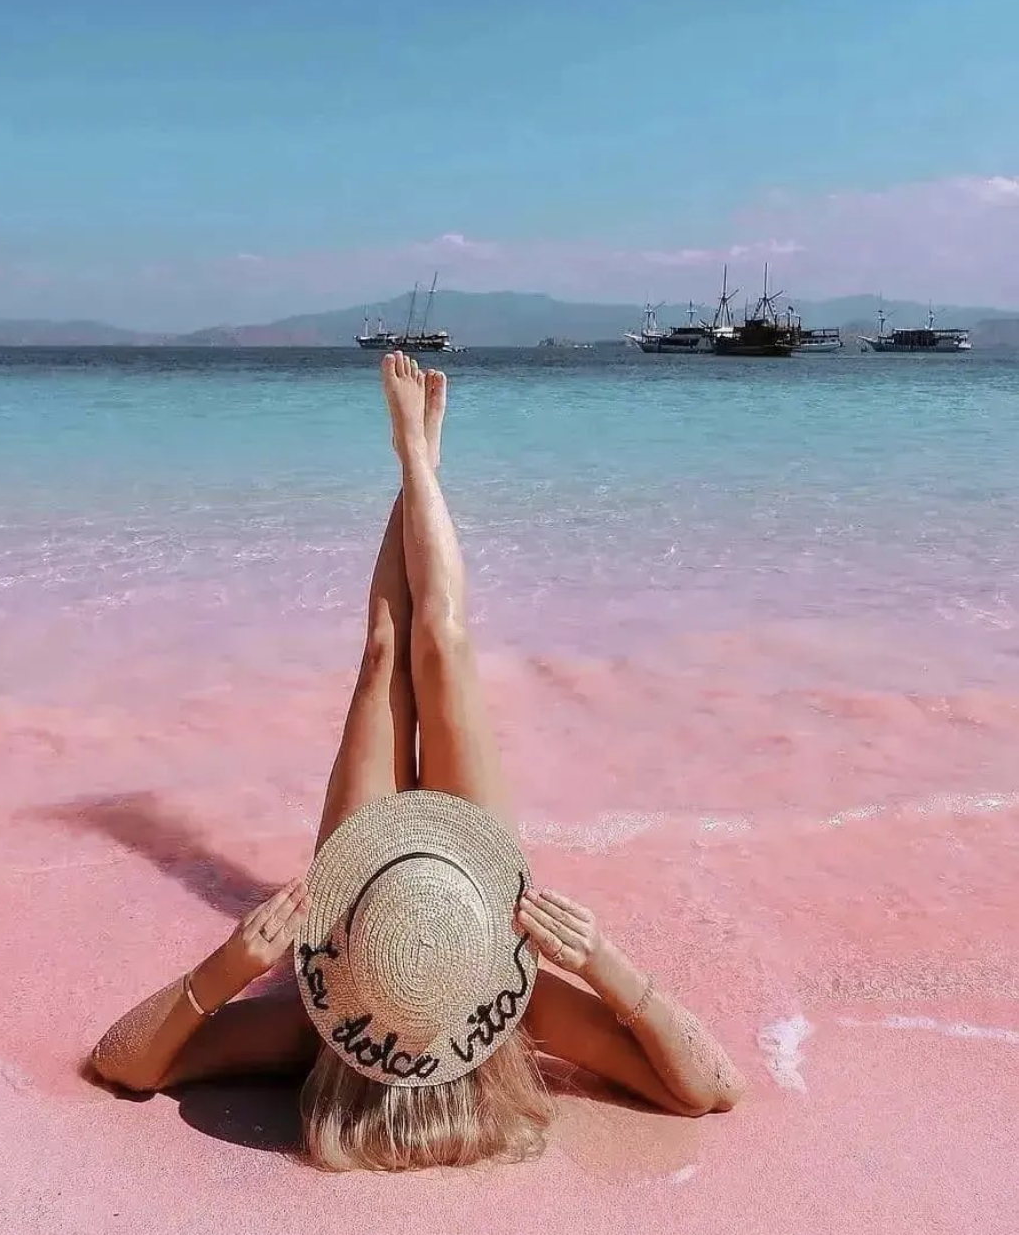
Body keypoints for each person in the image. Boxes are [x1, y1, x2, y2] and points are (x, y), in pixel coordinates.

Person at [90, 353, 744, 1171]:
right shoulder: (520, 1012)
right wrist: (603, 964)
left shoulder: (314, 1032)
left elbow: (123, 1061)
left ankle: (414, 462)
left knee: (385, 652)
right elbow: (709, 1086)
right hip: (469, 899)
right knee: (442, 646)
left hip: (377, 902)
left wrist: (231, 967)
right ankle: (419, 466)